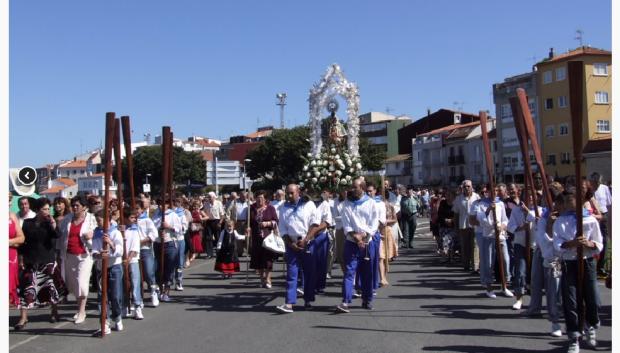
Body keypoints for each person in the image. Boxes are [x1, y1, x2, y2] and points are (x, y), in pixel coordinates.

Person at [553, 189, 603, 352]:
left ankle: (591, 324)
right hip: (569, 263)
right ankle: (574, 336)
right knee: (571, 300)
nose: (567, 204)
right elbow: (557, 243)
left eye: (570, 200)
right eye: (565, 201)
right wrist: (571, 244)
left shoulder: (590, 220)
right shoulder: (560, 221)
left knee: (592, 297)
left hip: (586, 262)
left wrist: (590, 244)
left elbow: (599, 242)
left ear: (579, 200)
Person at [14, 198, 66, 330]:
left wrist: (54, 224)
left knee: (51, 288)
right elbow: (23, 243)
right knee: (26, 289)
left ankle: (54, 312)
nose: (48, 211)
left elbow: (57, 235)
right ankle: (23, 317)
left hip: (47, 260)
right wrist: (21, 259)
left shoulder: (49, 223)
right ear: (37, 210)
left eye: (49, 209)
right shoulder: (27, 223)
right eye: (45, 209)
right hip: (31, 260)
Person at [336, 178, 379, 313]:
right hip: (351, 242)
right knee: (349, 272)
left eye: (355, 187)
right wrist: (355, 236)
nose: (352, 190)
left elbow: (374, 223)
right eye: (352, 187)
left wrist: (364, 235)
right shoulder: (347, 204)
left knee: (367, 273)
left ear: (363, 188)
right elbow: (346, 223)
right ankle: (345, 301)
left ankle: (367, 299)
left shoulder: (371, 203)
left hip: (367, 243)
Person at [275, 184, 319, 313]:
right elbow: (282, 229)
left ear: (298, 192)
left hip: (307, 242)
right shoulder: (283, 208)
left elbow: (315, 223)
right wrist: (290, 243)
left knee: (309, 273)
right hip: (292, 244)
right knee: (291, 274)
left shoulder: (308, 205)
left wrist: (306, 240)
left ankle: (308, 299)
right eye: (287, 193)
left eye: (291, 193)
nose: (289, 196)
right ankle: (289, 303)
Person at [526, 185, 563, 337]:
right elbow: (543, 238)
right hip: (545, 253)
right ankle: (540, 310)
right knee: (537, 281)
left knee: (555, 288)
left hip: (562, 256)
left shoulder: (565, 216)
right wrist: (548, 223)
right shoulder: (544, 216)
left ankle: (565, 318)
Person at [58, 195, 97, 324]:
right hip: (69, 255)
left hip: (84, 256)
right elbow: (60, 235)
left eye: (77, 205)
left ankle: (81, 311)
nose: (74, 207)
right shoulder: (67, 219)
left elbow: (99, 232)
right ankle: (79, 309)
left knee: (82, 283)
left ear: (84, 207)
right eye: (73, 205)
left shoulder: (91, 219)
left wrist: (92, 234)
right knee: (73, 284)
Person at [476, 187, 513, 298]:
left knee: (505, 260)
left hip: (500, 236)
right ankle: (489, 287)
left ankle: (504, 285)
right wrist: (488, 211)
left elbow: (505, 219)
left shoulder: (500, 203)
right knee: (489, 262)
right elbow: (480, 219)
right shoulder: (482, 204)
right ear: (488, 192)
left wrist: (502, 226)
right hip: (488, 235)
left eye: (497, 191)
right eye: (493, 190)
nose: (495, 193)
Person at [91, 210, 125, 335]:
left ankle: (117, 317)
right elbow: (93, 251)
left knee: (115, 296)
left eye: (99, 220)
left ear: (107, 220)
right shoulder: (96, 233)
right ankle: (105, 323)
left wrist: (110, 243)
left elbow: (120, 251)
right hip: (101, 268)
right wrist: (99, 255)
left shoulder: (115, 232)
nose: (98, 223)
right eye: (97, 221)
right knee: (102, 297)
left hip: (114, 267)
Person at [507, 194, 536, 310]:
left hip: (535, 245)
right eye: (527, 197)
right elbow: (510, 226)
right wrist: (521, 228)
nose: (530, 199)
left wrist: (528, 211)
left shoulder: (539, 209)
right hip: (520, 243)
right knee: (520, 271)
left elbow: (537, 220)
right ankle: (519, 298)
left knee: (535, 274)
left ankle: (534, 301)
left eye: (532, 198)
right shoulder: (516, 210)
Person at [152, 198, 182, 302]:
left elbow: (180, 229)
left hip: (170, 243)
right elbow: (152, 228)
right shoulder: (156, 214)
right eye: (160, 203)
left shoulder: (173, 215)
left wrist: (169, 227)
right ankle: (160, 290)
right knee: (158, 268)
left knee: (169, 268)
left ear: (168, 204)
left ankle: (166, 291)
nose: (161, 206)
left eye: (164, 203)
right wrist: (158, 231)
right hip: (158, 243)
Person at [249, 190, 280, 288]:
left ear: (265, 199)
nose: (259, 199)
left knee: (268, 258)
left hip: (267, 237)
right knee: (258, 258)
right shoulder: (252, 208)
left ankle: (268, 278)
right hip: (256, 236)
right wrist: (248, 228)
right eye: (257, 197)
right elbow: (249, 222)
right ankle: (262, 278)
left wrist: (267, 223)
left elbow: (276, 221)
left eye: (261, 198)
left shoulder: (270, 208)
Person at [135, 200, 160, 307]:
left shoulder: (147, 220)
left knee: (149, 272)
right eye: (134, 209)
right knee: (136, 275)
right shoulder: (129, 220)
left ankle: (153, 291)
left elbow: (154, 234)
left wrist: (142, 240)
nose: (136, 211)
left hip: (145, 249)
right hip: (133, 251)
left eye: (137, 209)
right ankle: (138, 298)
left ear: (142, 209)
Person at [453, 180, 480, 272]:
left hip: (475, 225)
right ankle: (466, 264)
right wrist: (456, 227)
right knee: (465, 246)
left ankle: (475, 266)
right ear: (462, 188)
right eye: (465, 187)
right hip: (463, 225)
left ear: (472, 187)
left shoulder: (477, 197)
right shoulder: (458, 199)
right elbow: (456, 214)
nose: (467, 188)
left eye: (468, 186)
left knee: (475, 245)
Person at [123, 208, 144, 320]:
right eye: (131, 218)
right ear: (125, 219)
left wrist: (129, 258)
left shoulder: (135, 230)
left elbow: (135, 247)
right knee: (124, 285)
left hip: (133, 260)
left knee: (135, 284)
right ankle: (125, 306)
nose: (134, 220)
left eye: (135, 218)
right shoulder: (120, 229)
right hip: (121, 261)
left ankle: (137, 306)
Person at [590, 172, 611, 276]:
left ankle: (601, 266)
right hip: (592, 216)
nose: (596, 184)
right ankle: (593, 264)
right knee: (593, 240)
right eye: (594, 182)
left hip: (603, 215)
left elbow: (608, 204)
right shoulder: (589, 189)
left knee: (604, 240)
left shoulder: (604, 188)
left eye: (598, 182)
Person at [8, 193, 26, 308]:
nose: (9, 203)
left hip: (11, 256)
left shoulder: (12, 216)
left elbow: (21, 238)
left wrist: (8, 242)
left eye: (9, 200)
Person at [203, 192, 225, 260]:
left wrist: (220, 223)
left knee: (218, 237)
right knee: (208, 238)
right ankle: (209, 254)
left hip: (217, 221)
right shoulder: (206, 204)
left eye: (210, 197)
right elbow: (203, 211)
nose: (209, 198)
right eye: (208, 197)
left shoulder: (218, 203)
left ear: (214, 197)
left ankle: (219, 253)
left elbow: (222, 214)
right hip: (209, 221)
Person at [173, 197, 188, 291]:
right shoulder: (166, 213)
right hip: (169, 240)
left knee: (179, 262)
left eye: (179, 202)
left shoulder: (181, 214)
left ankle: (179, 281)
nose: (177, 203)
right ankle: (167, 281)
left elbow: (184, 227)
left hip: (179, 239)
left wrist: (175, 228)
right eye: (175, 201)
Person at [187, 200, 207, 266]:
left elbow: (207, 217)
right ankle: (192, 253)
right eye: (194, 206)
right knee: (192, 240)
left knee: (197, 240)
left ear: (198, 206)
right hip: (192, 228)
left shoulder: (200, 211)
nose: (195, 207)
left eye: (196, 206)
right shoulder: (191, 211)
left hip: (198, 228)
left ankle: (194, 254)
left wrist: (202, 219)